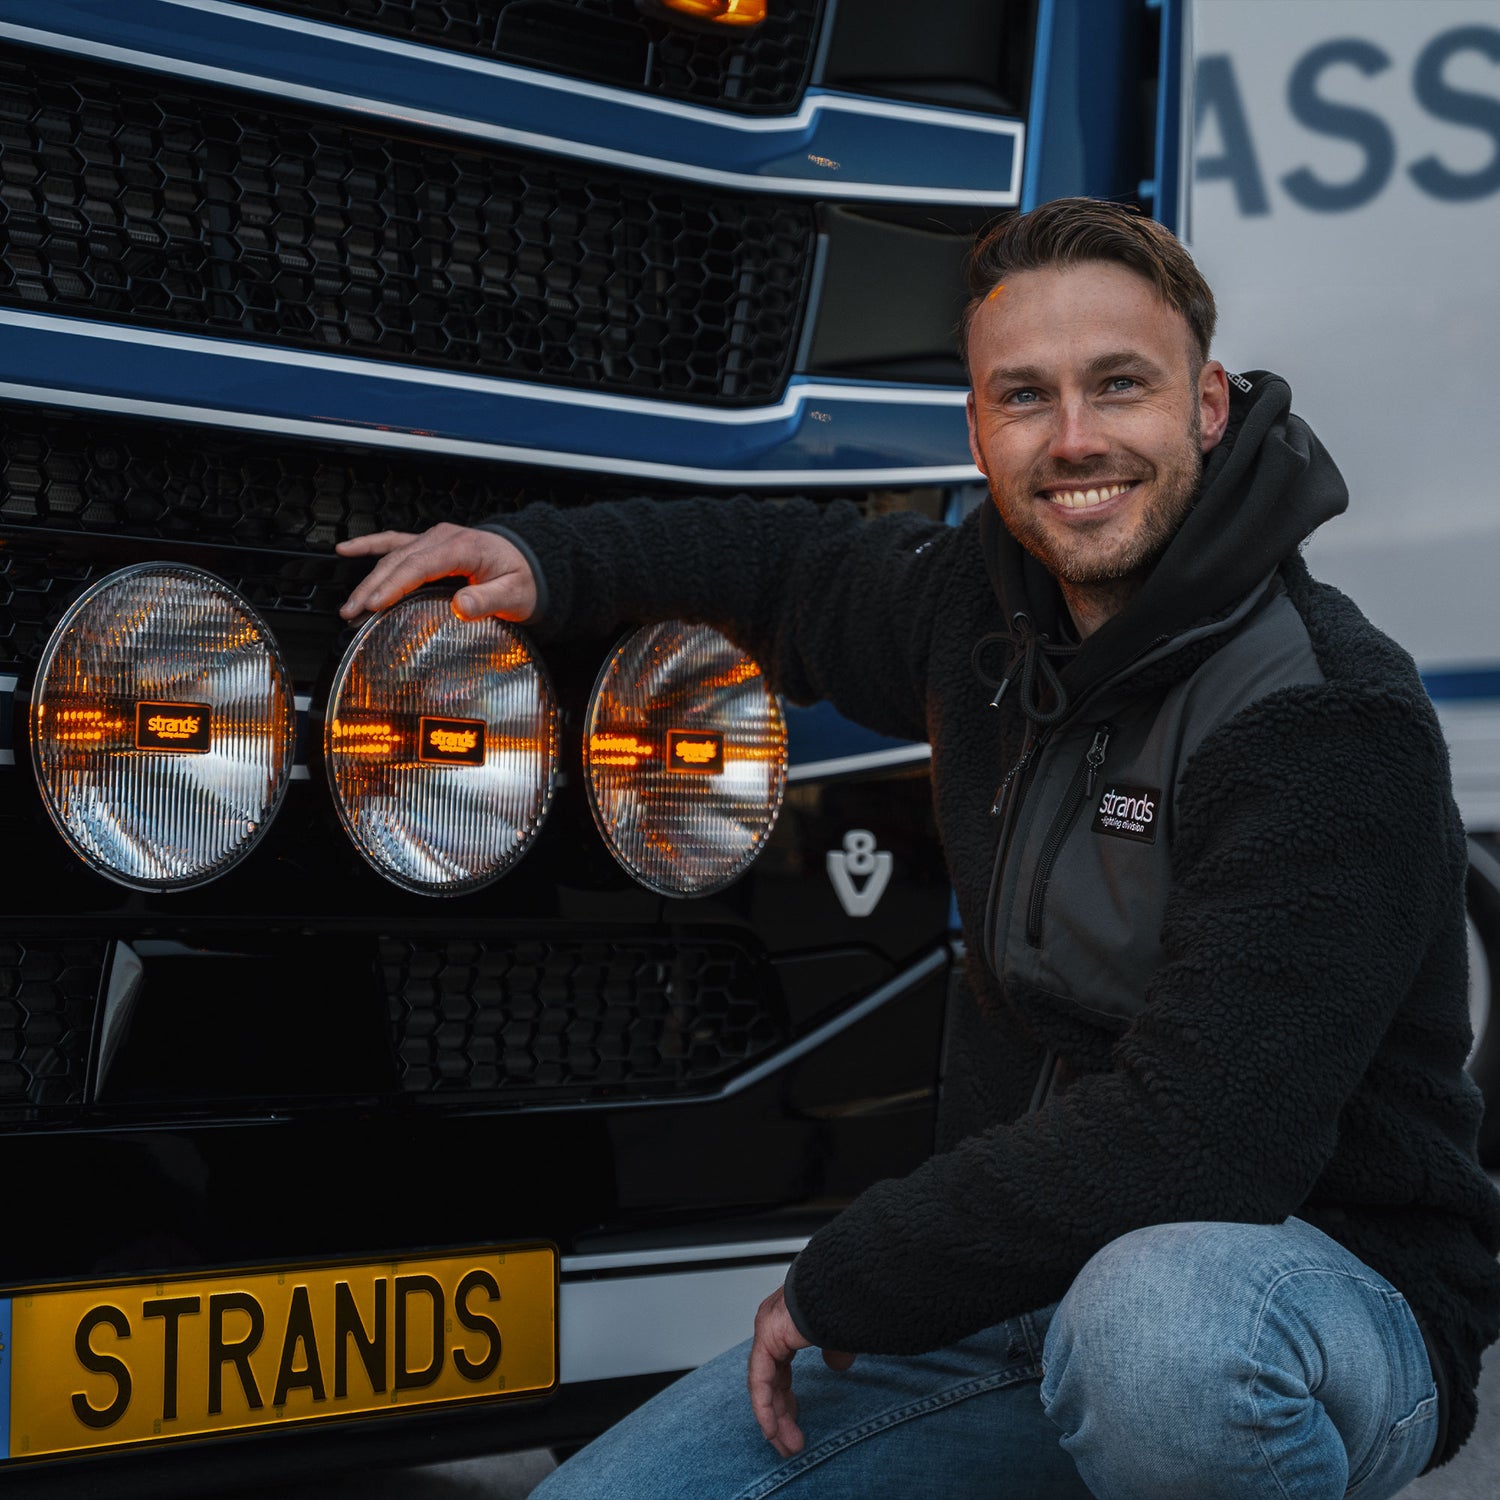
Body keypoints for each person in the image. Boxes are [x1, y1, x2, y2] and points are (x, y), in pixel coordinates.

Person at [337, 198, 1500, 1498]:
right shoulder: (980, 615)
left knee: (1161, 1332)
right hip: (1020, 1291)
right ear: (979, 432)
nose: (1075, 439)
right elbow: (786, 569)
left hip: (1311, 1294)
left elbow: (1204, 1143)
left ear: (1208, 405)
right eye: (1025, 396)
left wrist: (858, 1275)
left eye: (1120, 385)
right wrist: (546, 560)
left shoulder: (1324, 717)